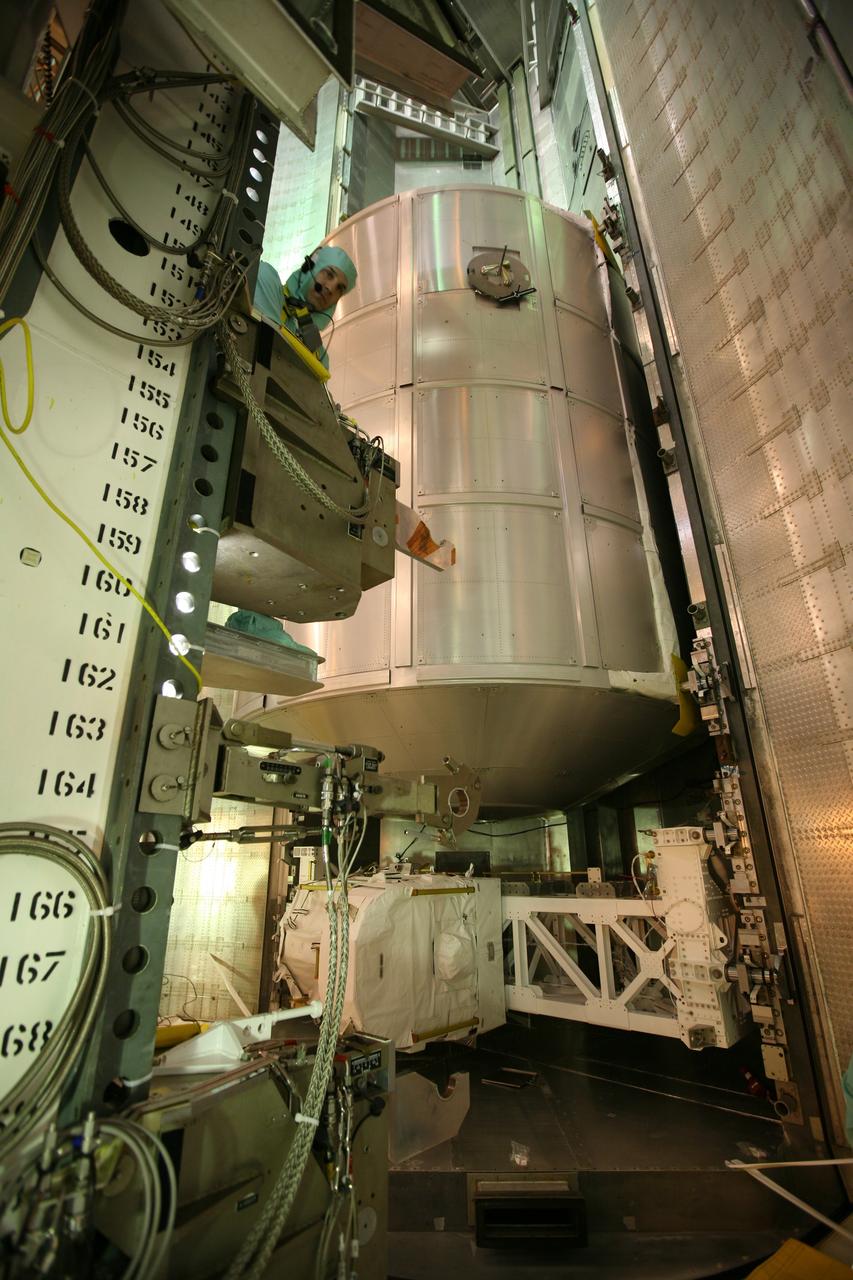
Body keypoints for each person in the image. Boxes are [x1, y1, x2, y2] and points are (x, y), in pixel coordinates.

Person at [253, 244, 357, 370]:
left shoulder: (320, 356)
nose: (330, 288)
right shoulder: (267, 280)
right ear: (309, 268)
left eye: (339, 288)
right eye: (329, 274)